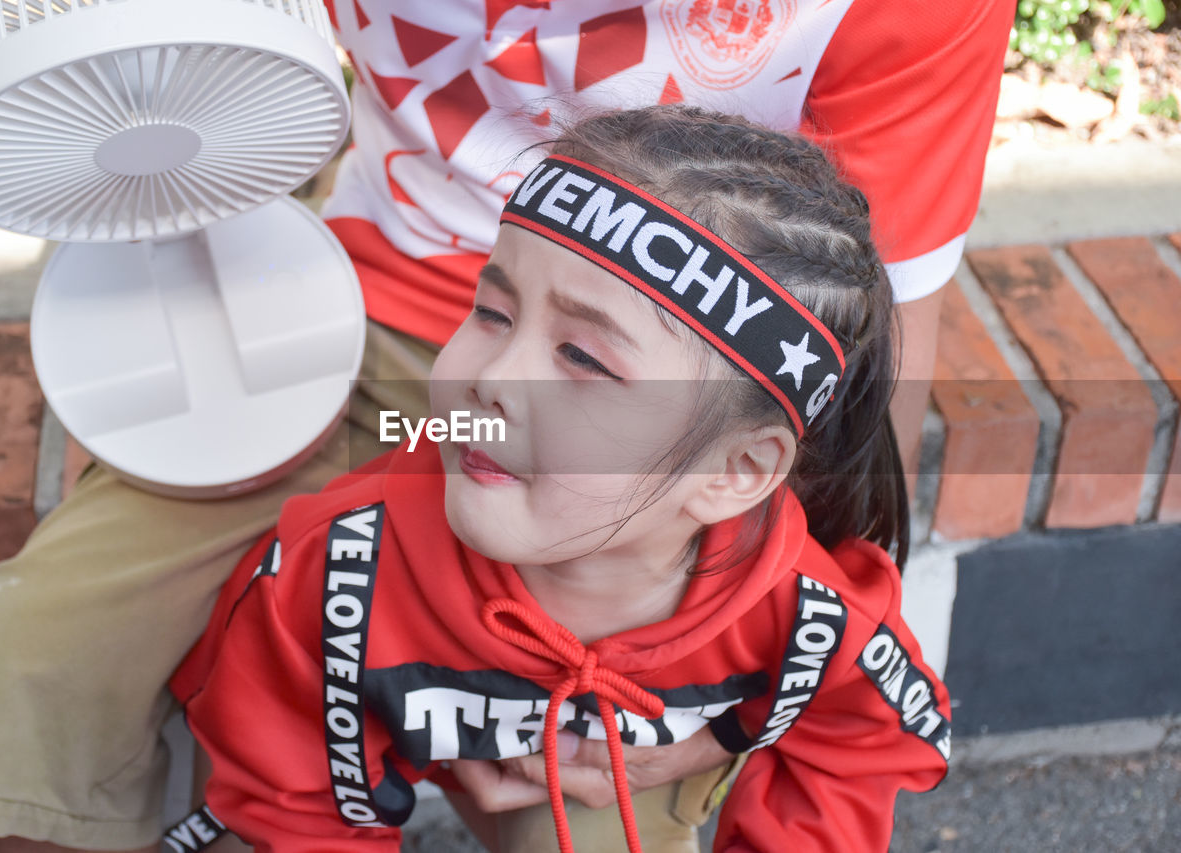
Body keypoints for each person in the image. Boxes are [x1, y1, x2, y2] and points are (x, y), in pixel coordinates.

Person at [0, 2, 1012, 851]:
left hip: (641, 415)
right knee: (38, 674)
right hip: (337, 314)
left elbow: (860, 366)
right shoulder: (421, 437)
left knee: (606, 816)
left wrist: (711, 715)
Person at [171, 105, 951, 853]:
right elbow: (291, 804)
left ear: (735, 471)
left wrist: (716, 737)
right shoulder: (332, 575)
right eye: (493, 312)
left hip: (609, 771)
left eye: (583, 358)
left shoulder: (812, 619)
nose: (495, 380)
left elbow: (860, 741)